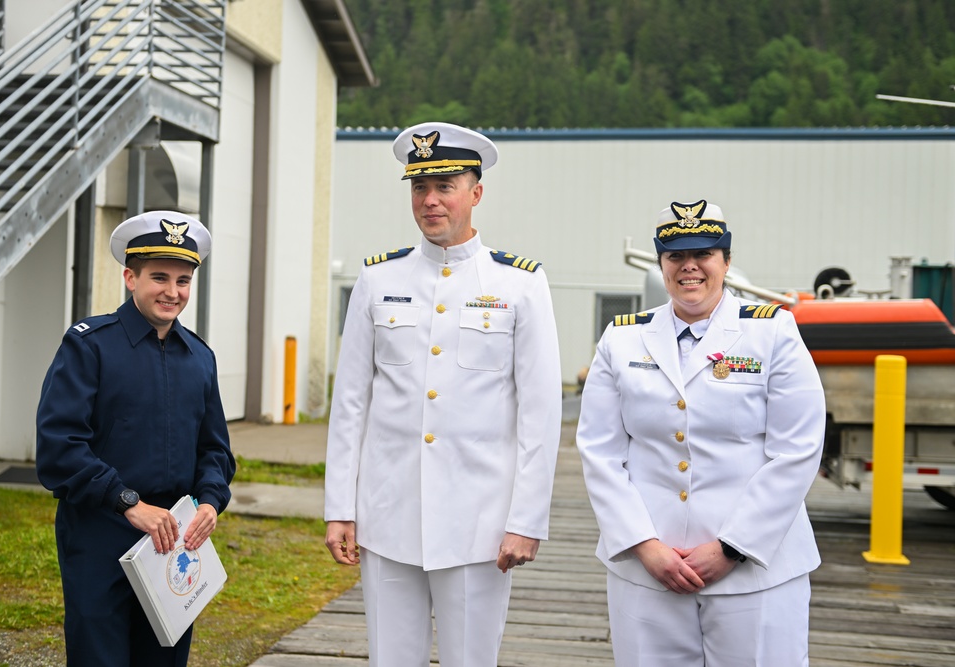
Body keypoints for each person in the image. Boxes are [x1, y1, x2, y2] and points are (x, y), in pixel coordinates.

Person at [324, 121, 562, 666]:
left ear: (476, 193)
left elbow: (541, 412)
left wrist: (526, 520)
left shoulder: (519, 284)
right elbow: (350, 404)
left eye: (445, 186)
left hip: (478, 521)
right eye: (418, 187)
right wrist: (340, 506)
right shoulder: (377, 280)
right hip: (388, 515)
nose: (430, 201)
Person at [576, 199, 826, 666]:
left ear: (726, 261)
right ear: (661, 264)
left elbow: (798, 449)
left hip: (755, 572)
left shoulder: (772, 332)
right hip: (649, 571)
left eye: (704, 253)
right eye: (675, 256)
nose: (689, 267)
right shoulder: (623, 337)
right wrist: (643, 545)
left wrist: (733, 547)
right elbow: (599, 450)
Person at [36, 210, 236, 667]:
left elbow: (215, 450)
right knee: (99, 656)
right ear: (130, 277)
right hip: (100, 532)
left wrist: (209, 501)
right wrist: (128, 502)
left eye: (183, 280)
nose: (172, 291)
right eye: (159, 277)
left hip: (173, 541)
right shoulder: (89, 346)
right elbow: (58, 446)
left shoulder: (200, 358)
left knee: (164, 658)